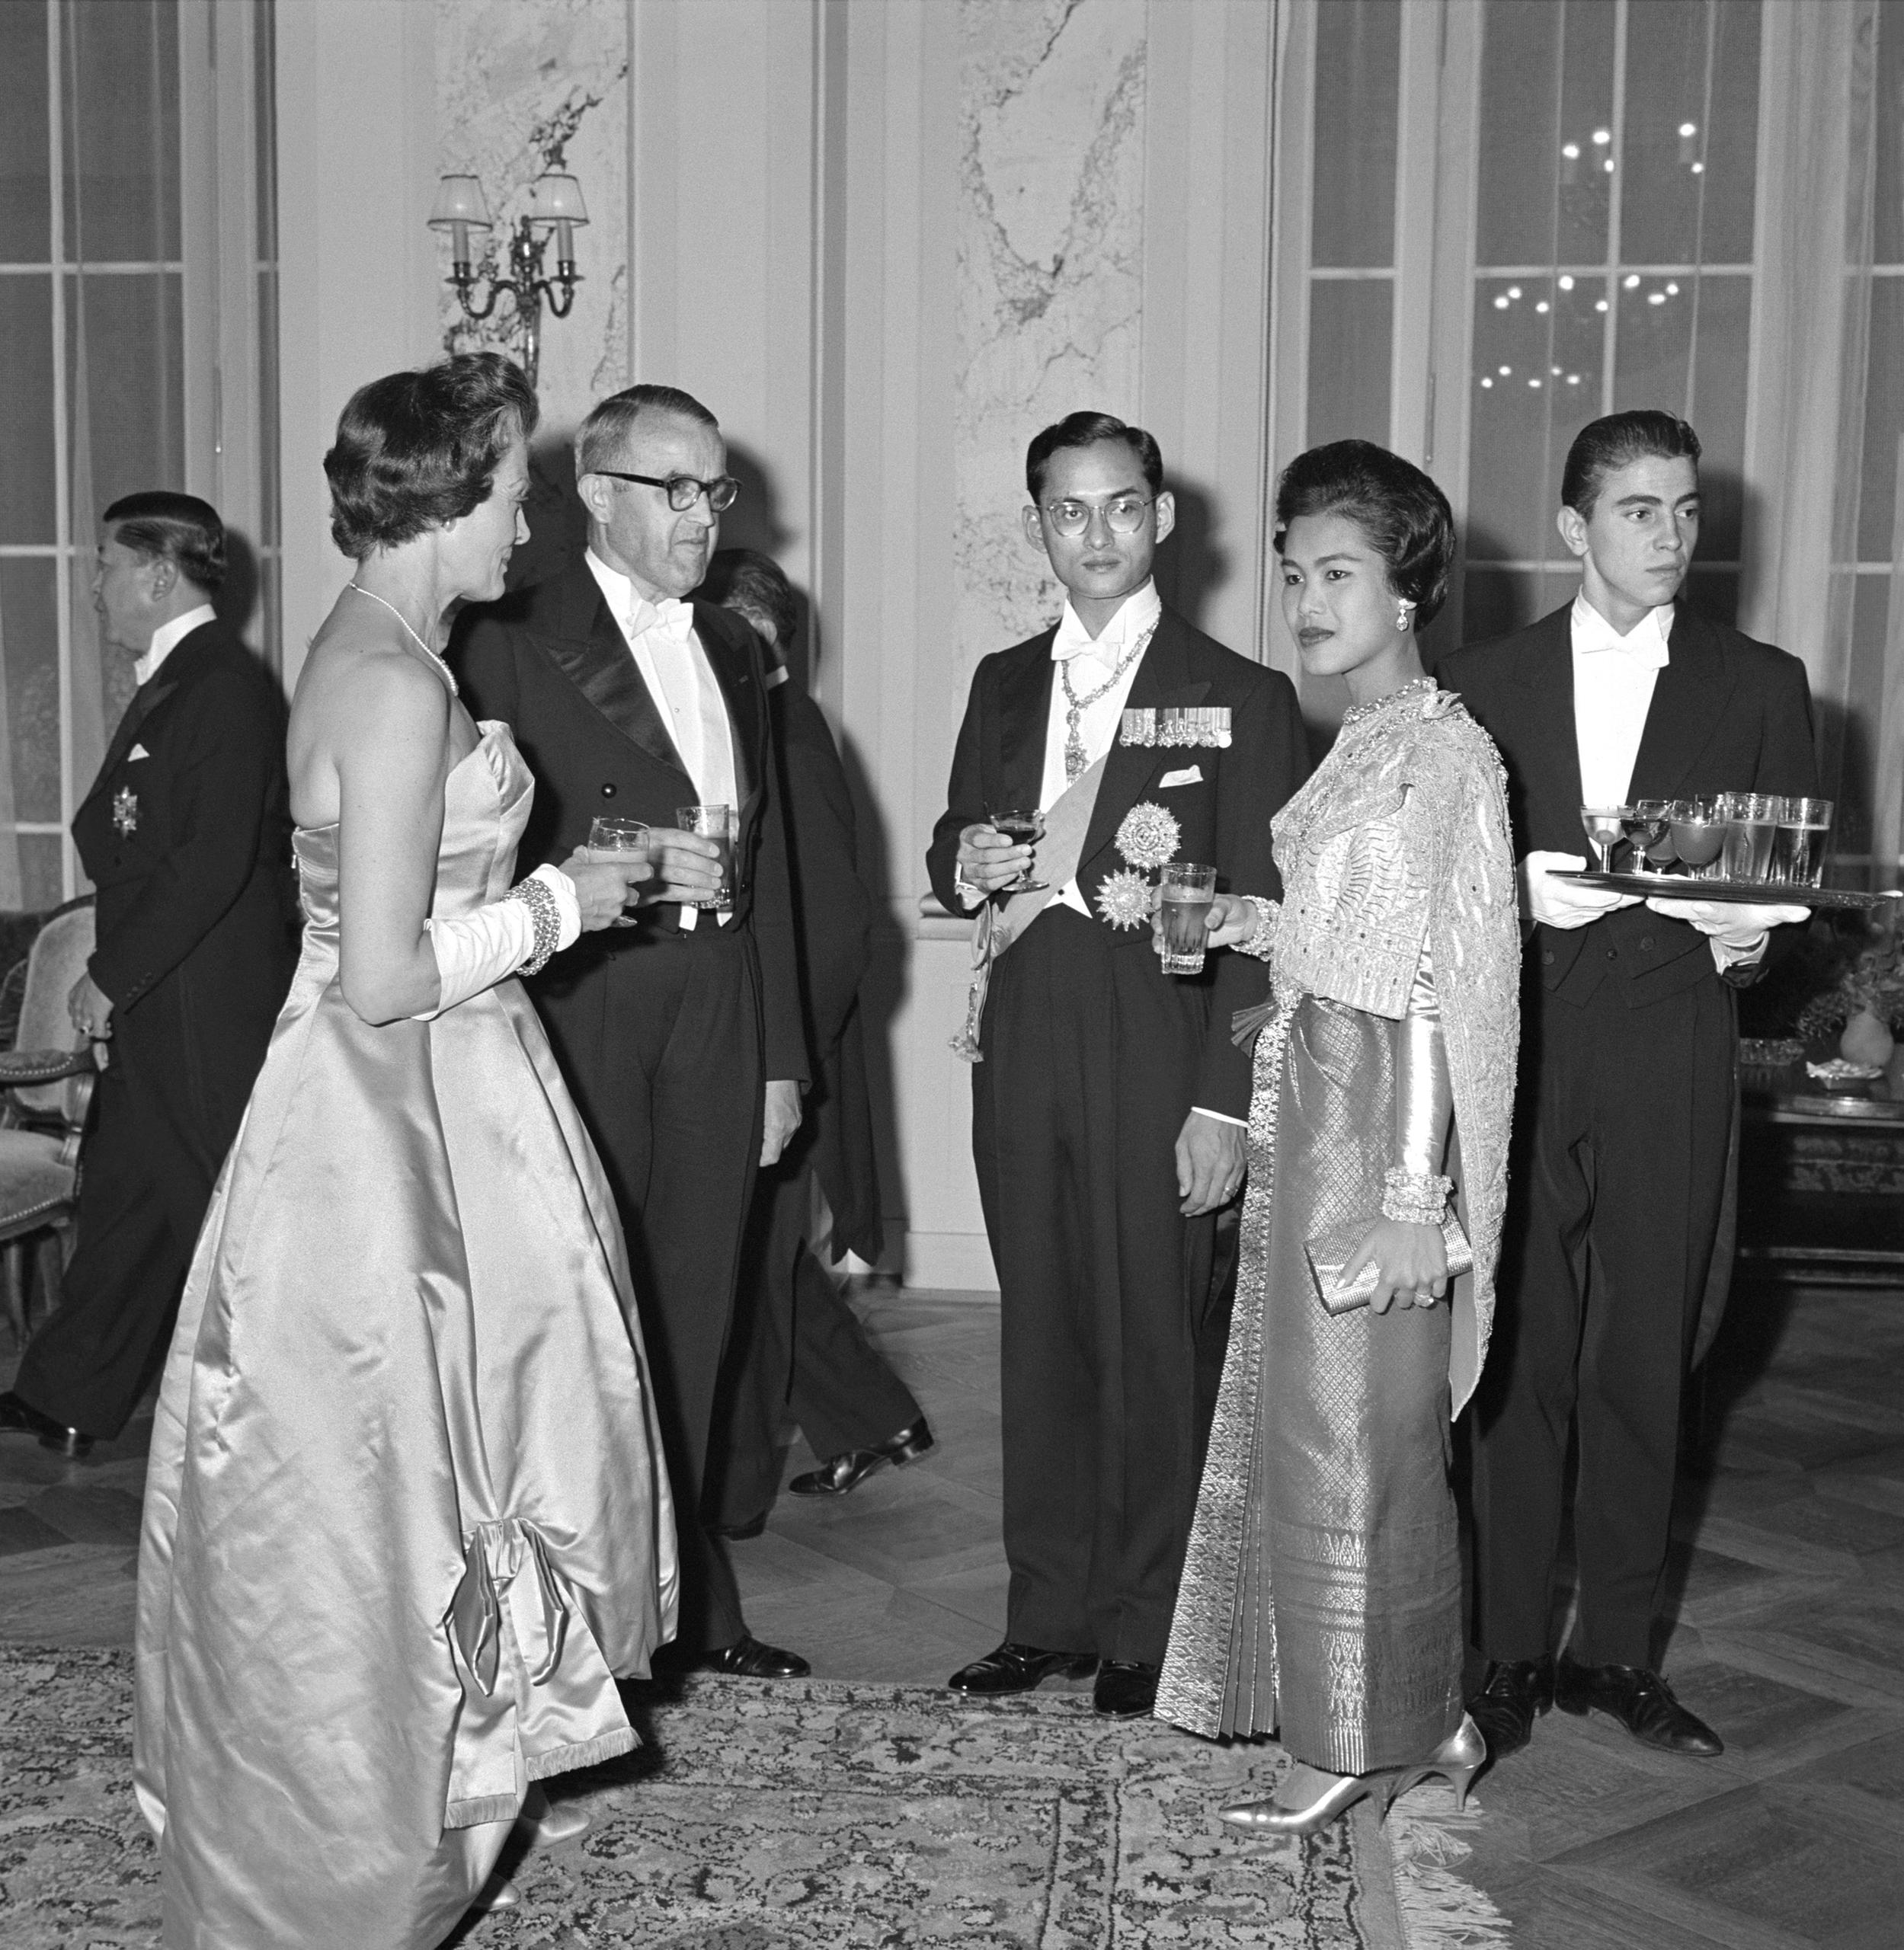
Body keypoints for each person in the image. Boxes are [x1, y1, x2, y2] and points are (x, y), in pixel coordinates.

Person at [133, 353, 677, 1948]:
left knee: (452, 1467)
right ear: (451, 485)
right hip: (384, 1125)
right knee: (388, 1489)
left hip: (438, 1092)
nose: (529, 518)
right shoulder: (387, 682)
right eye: (517, 483)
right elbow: (380, 973)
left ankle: (444, 1776)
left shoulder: (395, 653)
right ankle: (349, 1847)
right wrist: (568, 903)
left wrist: (552, 887)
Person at [1438, 410, 1816, 1764]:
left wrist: (1748, 939)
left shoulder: (1761, 683)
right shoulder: (1478, 682)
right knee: (1516, 1357)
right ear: (1570, 528)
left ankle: (1615, 1653)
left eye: (1683, 511)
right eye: (1636, 510)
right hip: (1523, 1050)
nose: (1667, 536)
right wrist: (1510, 898)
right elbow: (1428, 890)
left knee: (1643, 1357)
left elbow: (1790, 908)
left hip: (1671, 1049)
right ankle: (1500, 1655)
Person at [1155, 440, 1519, 1833]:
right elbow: (1346, 943)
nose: (1305, 603)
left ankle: (1355, 1738)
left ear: (1406, 588)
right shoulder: (1367, 741)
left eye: (1339, 575)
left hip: (1377, 1126)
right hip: (1317, 1094)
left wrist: (1416, 1197)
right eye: (1294, 574)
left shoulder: (1439, 755)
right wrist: (1248, 931)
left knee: (1346, 1439)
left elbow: (1441, 985)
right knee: (1349, 1429)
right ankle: (1427, 1716)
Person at [926, 411, 1308, 1718]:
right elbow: (953, 842)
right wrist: (960, 863)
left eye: (1119, 507)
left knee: (1155, 1332)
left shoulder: (1240, 693)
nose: (1095, 534)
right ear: (1039, 526)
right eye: (1067, 512)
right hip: (1026, 1029)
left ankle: (1149, 1621)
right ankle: (1048, 1609)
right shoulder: (999, 681)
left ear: (1161, 517)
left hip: (1161, 1040)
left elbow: (1264, 916)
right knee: (1040, 1326)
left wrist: (1224, 1100)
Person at [453, 384, 808, 1677]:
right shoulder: (505, 637)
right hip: (582, 1000)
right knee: (580, 1322)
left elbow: (770, 869)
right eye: (674, 486)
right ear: (596, 494)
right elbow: (465, 850)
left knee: (698, 1315)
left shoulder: (731, 649)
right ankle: (577, 1621)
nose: (701, 515)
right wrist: (606, 863)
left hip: (716, 1010)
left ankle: (692, 1608)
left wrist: (776, 1057)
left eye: (714, 489)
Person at [0, 492, 295, 1459]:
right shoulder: (183, 676)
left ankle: (287, 1432)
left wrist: (108, 975)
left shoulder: (221, 686)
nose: (94, 586)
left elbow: (208, 863)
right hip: (169, 989)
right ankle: (69, 1391)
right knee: (127, 1191)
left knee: (225, 1214)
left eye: (107, 565)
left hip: (204, 1000)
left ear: (159, 575)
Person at [700, 549, 930, 1539]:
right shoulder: (758, 727)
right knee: (769, 1269)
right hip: (759, 1052)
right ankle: (870, 1419)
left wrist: (782, 1059)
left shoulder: (784, 733)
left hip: (775, 1061)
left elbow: (832, 931)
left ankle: (733, 1497)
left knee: (752, 1280)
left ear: (755, 637)